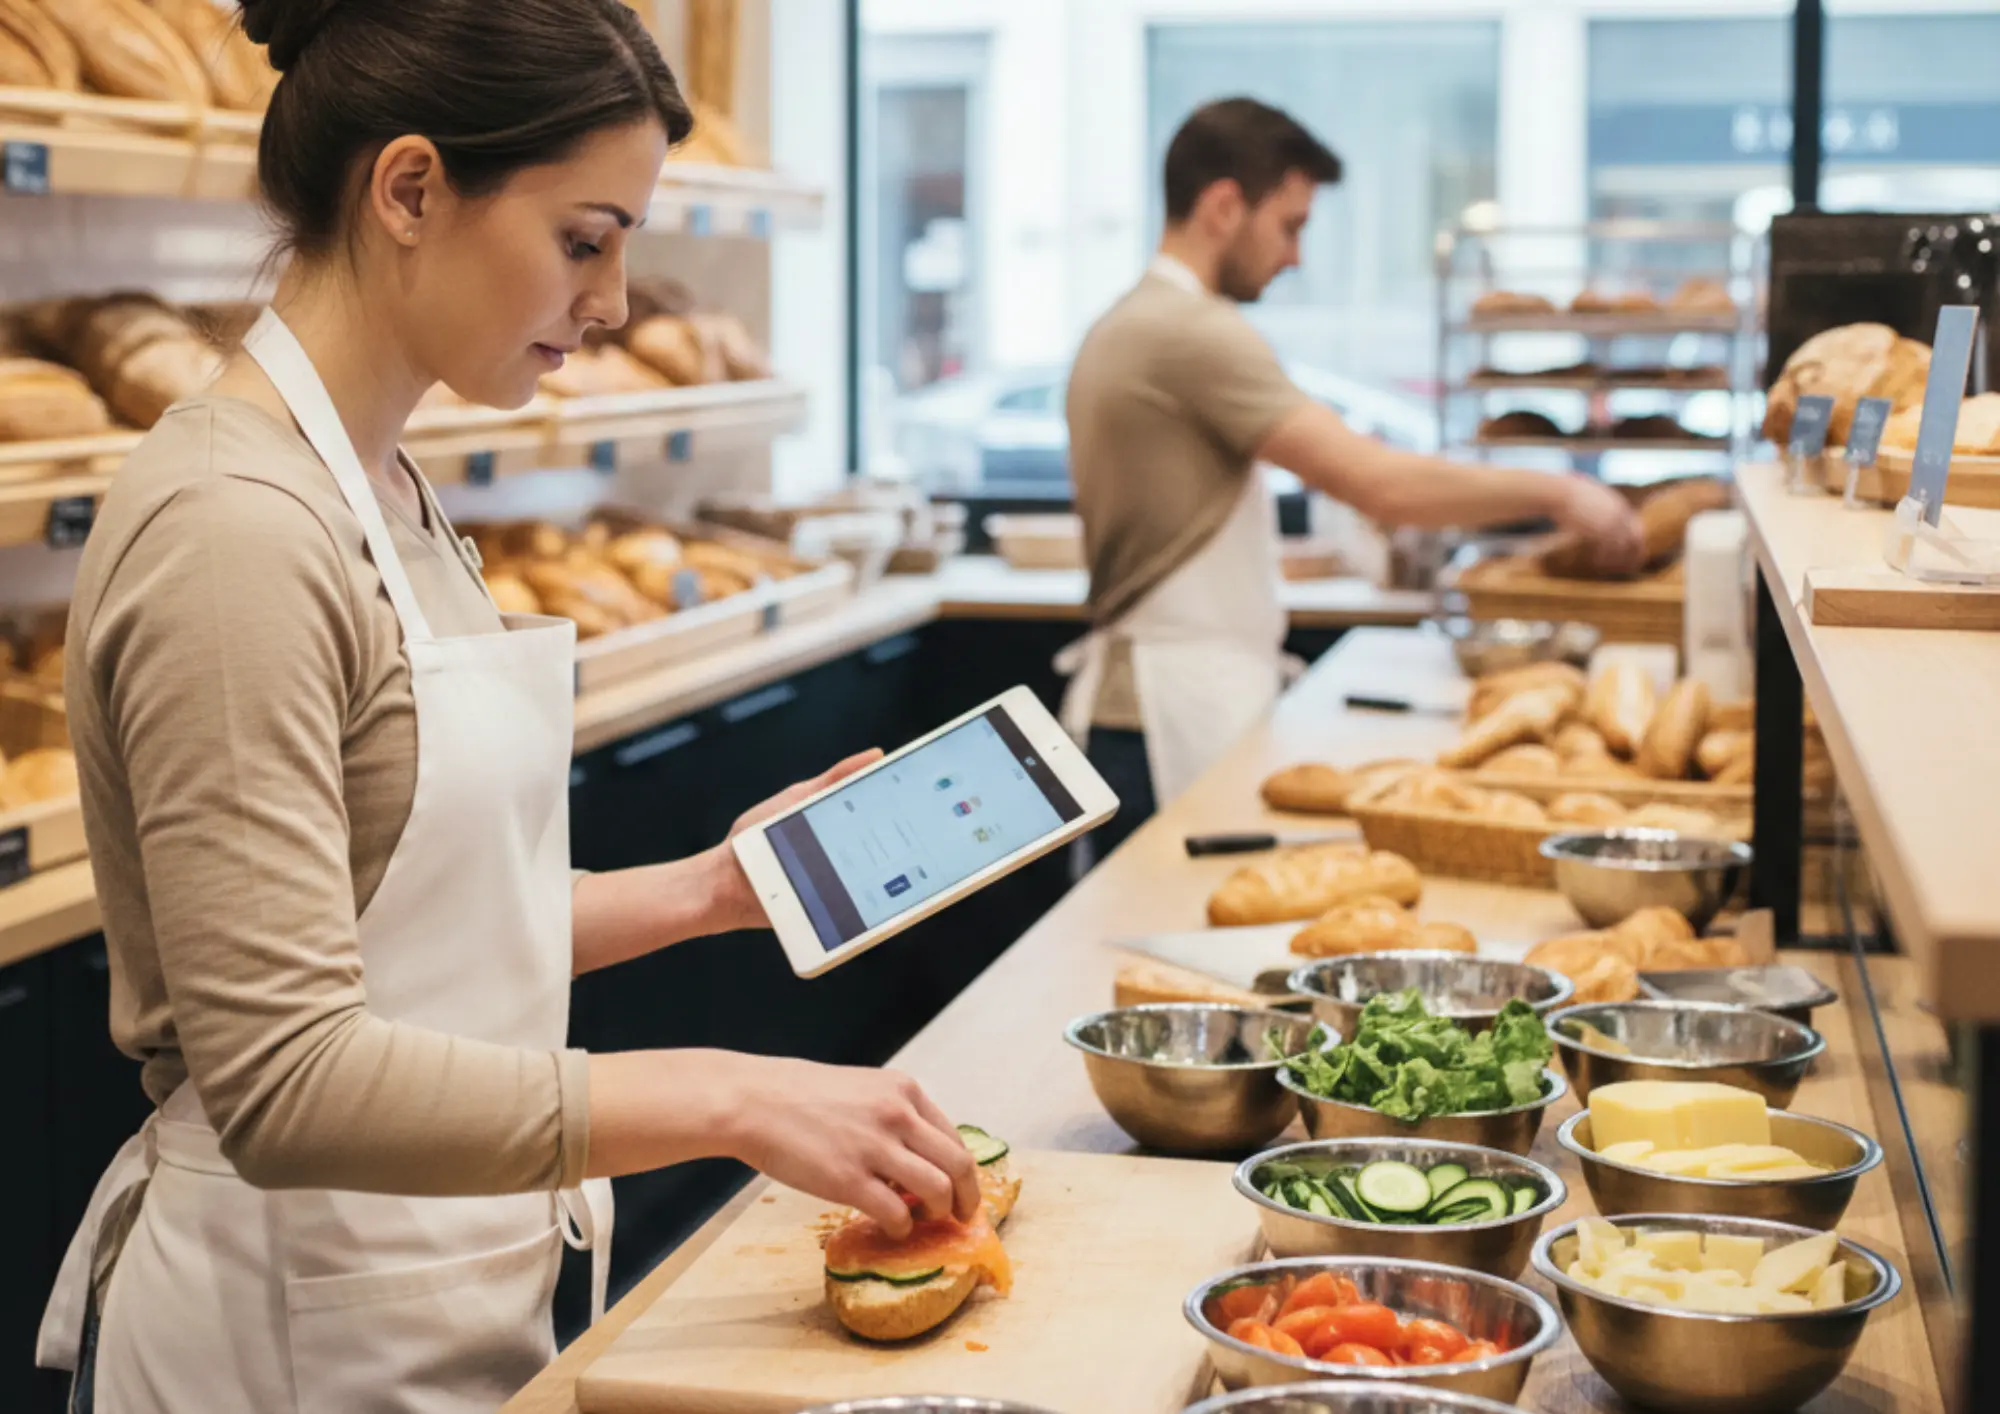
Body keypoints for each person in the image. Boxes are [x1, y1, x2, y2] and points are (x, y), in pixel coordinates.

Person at [36, 3, 977, 1410]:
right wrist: (739, 1096)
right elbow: (288, 1076)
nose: (609, 302)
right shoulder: (234, 531)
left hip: (429, 1281)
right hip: (279, 1328)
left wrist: (705, 889)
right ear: (410, 188)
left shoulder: (391, 490)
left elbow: (413, 930)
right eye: (584, 240)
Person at [1061, 98, 1644, 856]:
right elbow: (1378, 484)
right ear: (1224, 205)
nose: (1297, 257)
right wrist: (1562, 492)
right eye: (1291, 226)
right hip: (1165, 717)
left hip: (1148, 708)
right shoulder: (1189, 333)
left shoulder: (1129, 322)